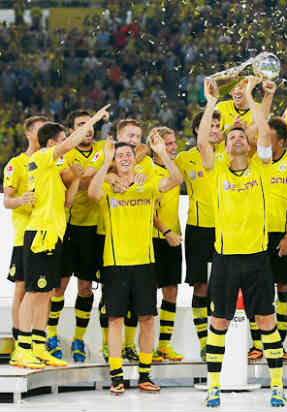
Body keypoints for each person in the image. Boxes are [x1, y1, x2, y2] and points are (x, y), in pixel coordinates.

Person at [199, 76, 286, 407]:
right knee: (218, 322)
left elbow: (263, 131)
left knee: (266, 322)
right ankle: (213, 386)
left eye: (241, 136)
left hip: (256, 257)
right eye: (231, 136)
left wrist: (251, 97)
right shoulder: (217, 168)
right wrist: (210, 104)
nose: (236, 139)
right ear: (225, 144)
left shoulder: (261, 167)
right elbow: (204, 141)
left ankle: (276, 385)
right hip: (225, 257)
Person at [15, 106, 109, 370]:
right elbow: (71, 142)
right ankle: (22, 349)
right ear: (51, 142)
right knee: (33, 294)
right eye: (62, 139)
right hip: (41, 234)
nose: (65, 144)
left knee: (44, 293)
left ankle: (37, 346)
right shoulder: (44, 157)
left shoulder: (52, 172)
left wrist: (78, 177)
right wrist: (94, 119)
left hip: (54, 234)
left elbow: (68, 203)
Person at [88, 131, 182, 394]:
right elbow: (93, 193)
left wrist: (162, 152)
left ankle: (144, 373)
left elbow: (176, 179)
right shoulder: (108, 186)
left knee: (148, 319)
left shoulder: (147, 182)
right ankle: (116, 376)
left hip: (145, 262)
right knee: (116, 319)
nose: (125, 157)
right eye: (120, 155)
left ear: (135, 159)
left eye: (129, 154)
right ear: (115, 160)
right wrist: (105, 163)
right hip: (115, 263)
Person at [84, 118, 154, 362]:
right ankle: (107, 346)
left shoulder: (141, 163)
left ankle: (128, 346)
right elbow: (86, 179)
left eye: (137, 136)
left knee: (137, 303)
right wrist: (109, 176)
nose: (134, 140)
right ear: (117, 134)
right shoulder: (105, 153)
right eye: (129, 135)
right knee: (109, 299)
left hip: (132, 237)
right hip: (102, 234)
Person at [246, 81, 287, 363]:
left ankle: (278, 344)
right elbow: (251, 132)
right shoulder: (256, 158)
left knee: (283, 288)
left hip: (282, 235)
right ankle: (257, 343)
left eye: (268, 138)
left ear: (281, 141)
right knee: (258, 290)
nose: (263, 141)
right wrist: (259, 97)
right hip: (255, 235)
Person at [47, 109, 105, 362]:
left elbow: (80, 180)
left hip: (94, 228)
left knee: (85, 287)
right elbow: (69, 179)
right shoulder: (64, 151)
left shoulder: (104, 148)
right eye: (82, 124)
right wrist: (93, 176)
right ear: (72, 130)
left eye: (91, 124)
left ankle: (79, 339)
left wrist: (82, 177)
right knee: (59, 286)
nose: (89, 128)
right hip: (67, 226)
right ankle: (51, 335)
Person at [173, 109, 224, 361]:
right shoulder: (185, 158)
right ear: (197, 130)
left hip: (226, 228)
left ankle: (218, 340)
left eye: (217, 125)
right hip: (197, 228)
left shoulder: (229, 155)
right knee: (200, 286)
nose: (214, 129)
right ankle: (205, 343)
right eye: (209, 125)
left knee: (220, 285)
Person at [3, 116, 47, 364]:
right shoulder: (16, 164)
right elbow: (7, 200)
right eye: (40, 131)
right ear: (29, 134)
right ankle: (20, 340)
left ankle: (36, 343)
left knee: (43, 291)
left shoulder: (49, 162)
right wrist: (21, 200)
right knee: (22, 289)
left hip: (46, 235)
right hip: (24, 236)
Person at [150, 127, 184, 361]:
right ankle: (144, 346)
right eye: (167, 144)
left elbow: (178, 179)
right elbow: (146, 209)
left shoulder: (175, 167)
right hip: (152, 237)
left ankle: (164, 345)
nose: (172, 148)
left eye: (173, 143)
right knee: (147, 294)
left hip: (174, 236)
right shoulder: (144, 170)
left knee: (171, 291)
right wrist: (166, 231)